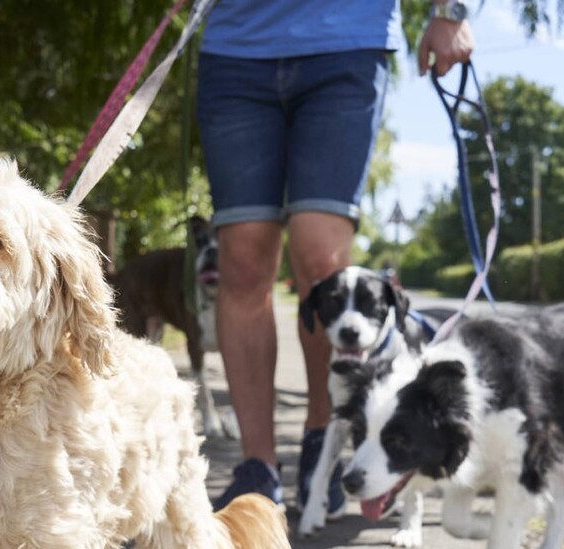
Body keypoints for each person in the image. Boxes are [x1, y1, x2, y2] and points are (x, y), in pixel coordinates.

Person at [198, 0, 475, 511]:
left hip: (345, 41)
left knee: (323, 263)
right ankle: (257, 469)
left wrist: (449, 10)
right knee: (241, 262)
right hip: (234, 51)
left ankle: (320, 441)